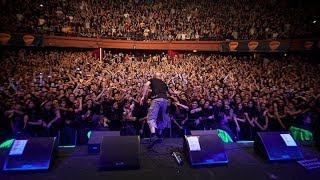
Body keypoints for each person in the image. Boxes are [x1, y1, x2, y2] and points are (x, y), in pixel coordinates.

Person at [140, 72, 179, 149]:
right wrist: (176, 93)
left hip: (156, 99)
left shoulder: (152, 80)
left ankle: (154, 135)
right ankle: (159, 135)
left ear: (154, 76)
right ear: (160, 77)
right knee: (161, 119)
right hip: (165, 100)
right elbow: (170, 92)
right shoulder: (164, 83)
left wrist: (143, 96)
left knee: (151, 118)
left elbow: (146, 85)